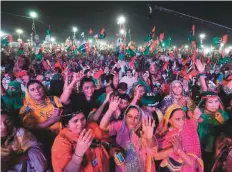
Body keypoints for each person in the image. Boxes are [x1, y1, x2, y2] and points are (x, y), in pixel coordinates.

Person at [100, 97, 156, 172]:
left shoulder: (144, 130)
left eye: (136, 117)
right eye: (130, 116)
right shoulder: (121, 125)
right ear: (125, 117)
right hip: (120, 166)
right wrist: (110, 110)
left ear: (140, 118)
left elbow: (152, 148)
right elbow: (103, 126)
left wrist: (149, 138)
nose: (133, 120)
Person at [19, 80, 63, 164]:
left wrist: (58, 117)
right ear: (28, 93)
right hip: (43, 141)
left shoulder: (54, 99)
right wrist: (52, 120)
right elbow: (32, 128)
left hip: (61, 135)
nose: (37, 91)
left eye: (39, 87)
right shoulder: (26, 109)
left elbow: (61, 117)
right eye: (32, 89)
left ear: (43, 88)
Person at [155, 105, 203, 172]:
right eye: (178, 119)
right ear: (169, 120)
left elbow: (193, 163)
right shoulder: (166, 136)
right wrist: (173, 149)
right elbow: (155, 157)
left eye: (183, 118)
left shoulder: (188, 126)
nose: (182, 121)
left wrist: (179, 150)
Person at [193, 91, 229, 171]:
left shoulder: (223, 114)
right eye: (210, 102)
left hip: (221, 150)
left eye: (216, 101)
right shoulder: (198, 115)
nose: (214, 105)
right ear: (204, 103)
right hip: (203, 150)